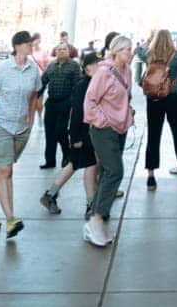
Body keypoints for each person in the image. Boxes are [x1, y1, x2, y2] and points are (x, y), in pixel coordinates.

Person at [0, 30, 42, 239]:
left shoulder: (33, 70)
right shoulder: (3, 69)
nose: (31, 47)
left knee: (1, 172)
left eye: (31, 44)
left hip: (21, 129)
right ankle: (11, 220)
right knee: (5, 170)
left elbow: (34, 94)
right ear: (17, 46)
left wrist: (31, 118)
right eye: (27, 44)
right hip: (0, 127)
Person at [83, 36, 135, 246]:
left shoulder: (128, 72)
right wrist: (103, 120)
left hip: (120, 129)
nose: (131, 53)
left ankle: (95, 220)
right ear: (116, 52)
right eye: (127, 50)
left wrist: (126, 114)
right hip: (103, 130)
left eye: (130, 49)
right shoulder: (104, 72)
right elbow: (90, 101)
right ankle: (96, 219)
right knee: (115, 171)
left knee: (106, 173)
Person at [40, 51, 103, 216]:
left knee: (75, 164)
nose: (100, 67)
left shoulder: (95, 83)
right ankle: (91, 205)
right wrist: (75, 137)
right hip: (83, 133)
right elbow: (76, 113)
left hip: (88, 133)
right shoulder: (84, 85)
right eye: (97, 64)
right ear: (87, 67)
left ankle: (51, 194)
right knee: (90, 165)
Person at [142, 28, 177, 191]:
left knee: (153, 135)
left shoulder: (148, 54)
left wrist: (148, 40)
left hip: (154, 99)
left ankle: (151, 177)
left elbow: (139, 50)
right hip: (174, 98)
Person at [39, 43, 81, 169]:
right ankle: (50, 161)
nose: (61, 51)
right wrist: (35, 95)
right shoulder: (51, 65)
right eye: (59, 49)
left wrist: (74, 102)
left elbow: (77, 86)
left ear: (69, 52)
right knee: (49, 132)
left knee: (61, 131)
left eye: (64, 49)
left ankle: (67, 155)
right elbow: (43, 82)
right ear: (55, 51)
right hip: (51, 103)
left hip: (66, 102)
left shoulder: (74, 66)